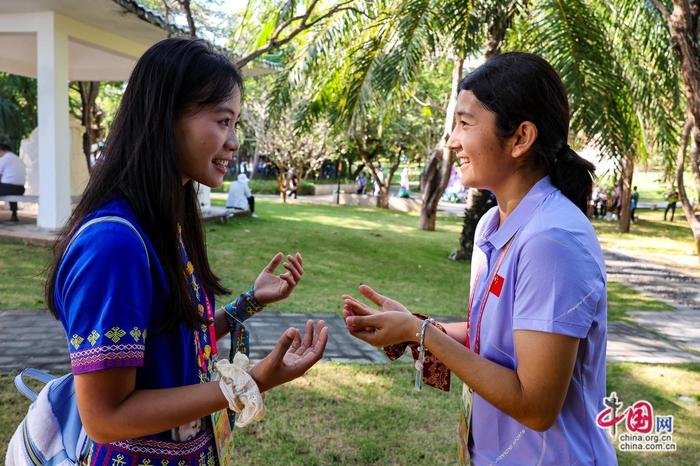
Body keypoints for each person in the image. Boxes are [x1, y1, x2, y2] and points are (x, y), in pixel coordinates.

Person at [30, 38, 328, 466]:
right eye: (223, 121)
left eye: (235, 123)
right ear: (167, 117)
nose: (233, 142)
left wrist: (247, 304)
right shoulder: (114, 246)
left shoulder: (164, 227)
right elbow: (104, 417)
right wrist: (250, 381)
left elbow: (172, 345)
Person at [342, 52, 616, 465]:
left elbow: (537, 407)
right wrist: (414, 326)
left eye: (465, 123)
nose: (452, 140)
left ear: (520, 138)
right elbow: (493, 337)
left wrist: (422, 334)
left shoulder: (552, 241)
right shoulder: (492, 224)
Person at [0, 143, 27, 222]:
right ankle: (14, 214)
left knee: (7, 186)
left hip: (8, 188)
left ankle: (14, 215)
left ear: (1, 150)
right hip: (20, 189)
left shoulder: (4, 158)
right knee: (8, 186)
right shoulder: (18, 159)